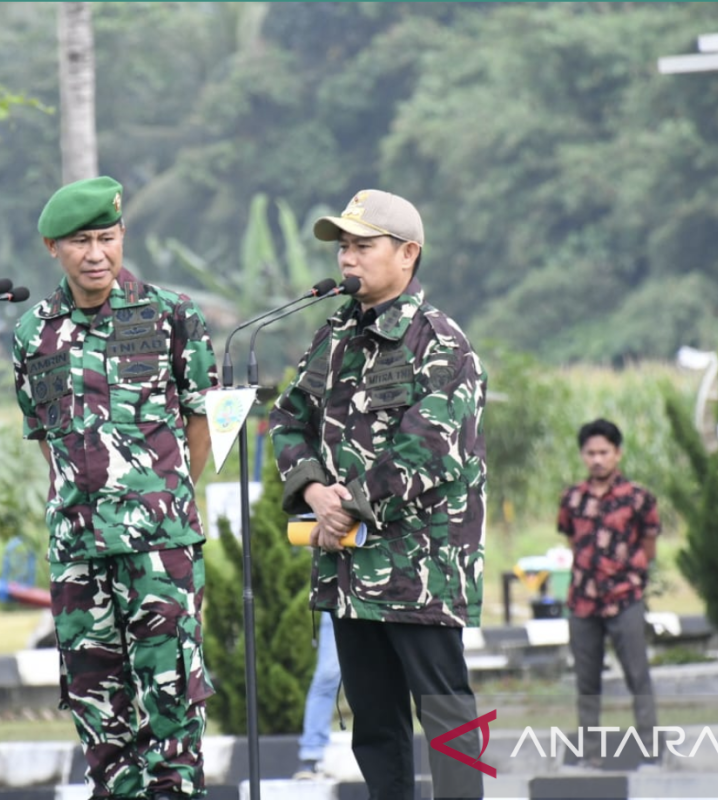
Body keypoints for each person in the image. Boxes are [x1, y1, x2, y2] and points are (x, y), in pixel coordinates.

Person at [270, 189, 488, 800]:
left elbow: (431, 446)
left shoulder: (440, 343)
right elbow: (288, 421)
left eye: (362, 247)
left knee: (447, 716)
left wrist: (349, 506)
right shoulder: (333, 338)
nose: (347, 260)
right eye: (343, 247)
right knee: (374, 724)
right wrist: (314, 491)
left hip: (420, 568)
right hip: (348, 569)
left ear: (408, 254)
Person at [12, 176, 217, 800]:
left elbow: (202, 422)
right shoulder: (32, 334)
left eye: (107, 237)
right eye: (81, 241)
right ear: (53, 247)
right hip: (77, 552)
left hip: (160, 547)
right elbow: (46, 438)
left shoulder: (172, 315)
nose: (96, 253)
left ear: (123, 236)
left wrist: (165, 499)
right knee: (96, 707)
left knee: (171, 702)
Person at [557, 418, 660, 768]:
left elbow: (649, 546)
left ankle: (650, 750)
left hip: (625, 599)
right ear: (582, 456)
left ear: (618, 453)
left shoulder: (639, 499)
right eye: (590, 453)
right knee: (586, 682)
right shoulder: (572, 499)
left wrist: (629, 575)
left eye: (604, 452)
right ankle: (591, 754)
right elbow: (572, 540)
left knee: (637, 675)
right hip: (583, 602)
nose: (597, 459)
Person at [293, 611, 342, 779]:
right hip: (342, 598)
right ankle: (311, 756)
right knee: (326, 677)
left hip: (396, 600)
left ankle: (428, 750)